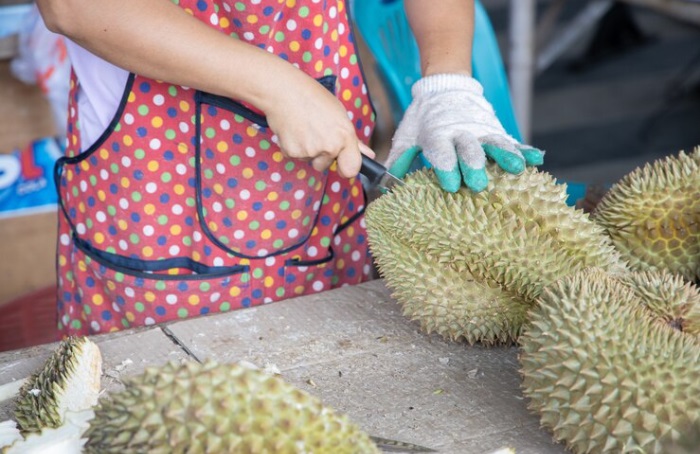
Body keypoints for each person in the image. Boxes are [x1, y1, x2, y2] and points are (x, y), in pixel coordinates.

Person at [35, 0, 544, 336]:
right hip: (158, 234)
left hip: (328, 212)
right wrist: (277, 86)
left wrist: (447, 80)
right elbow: (73, 7)